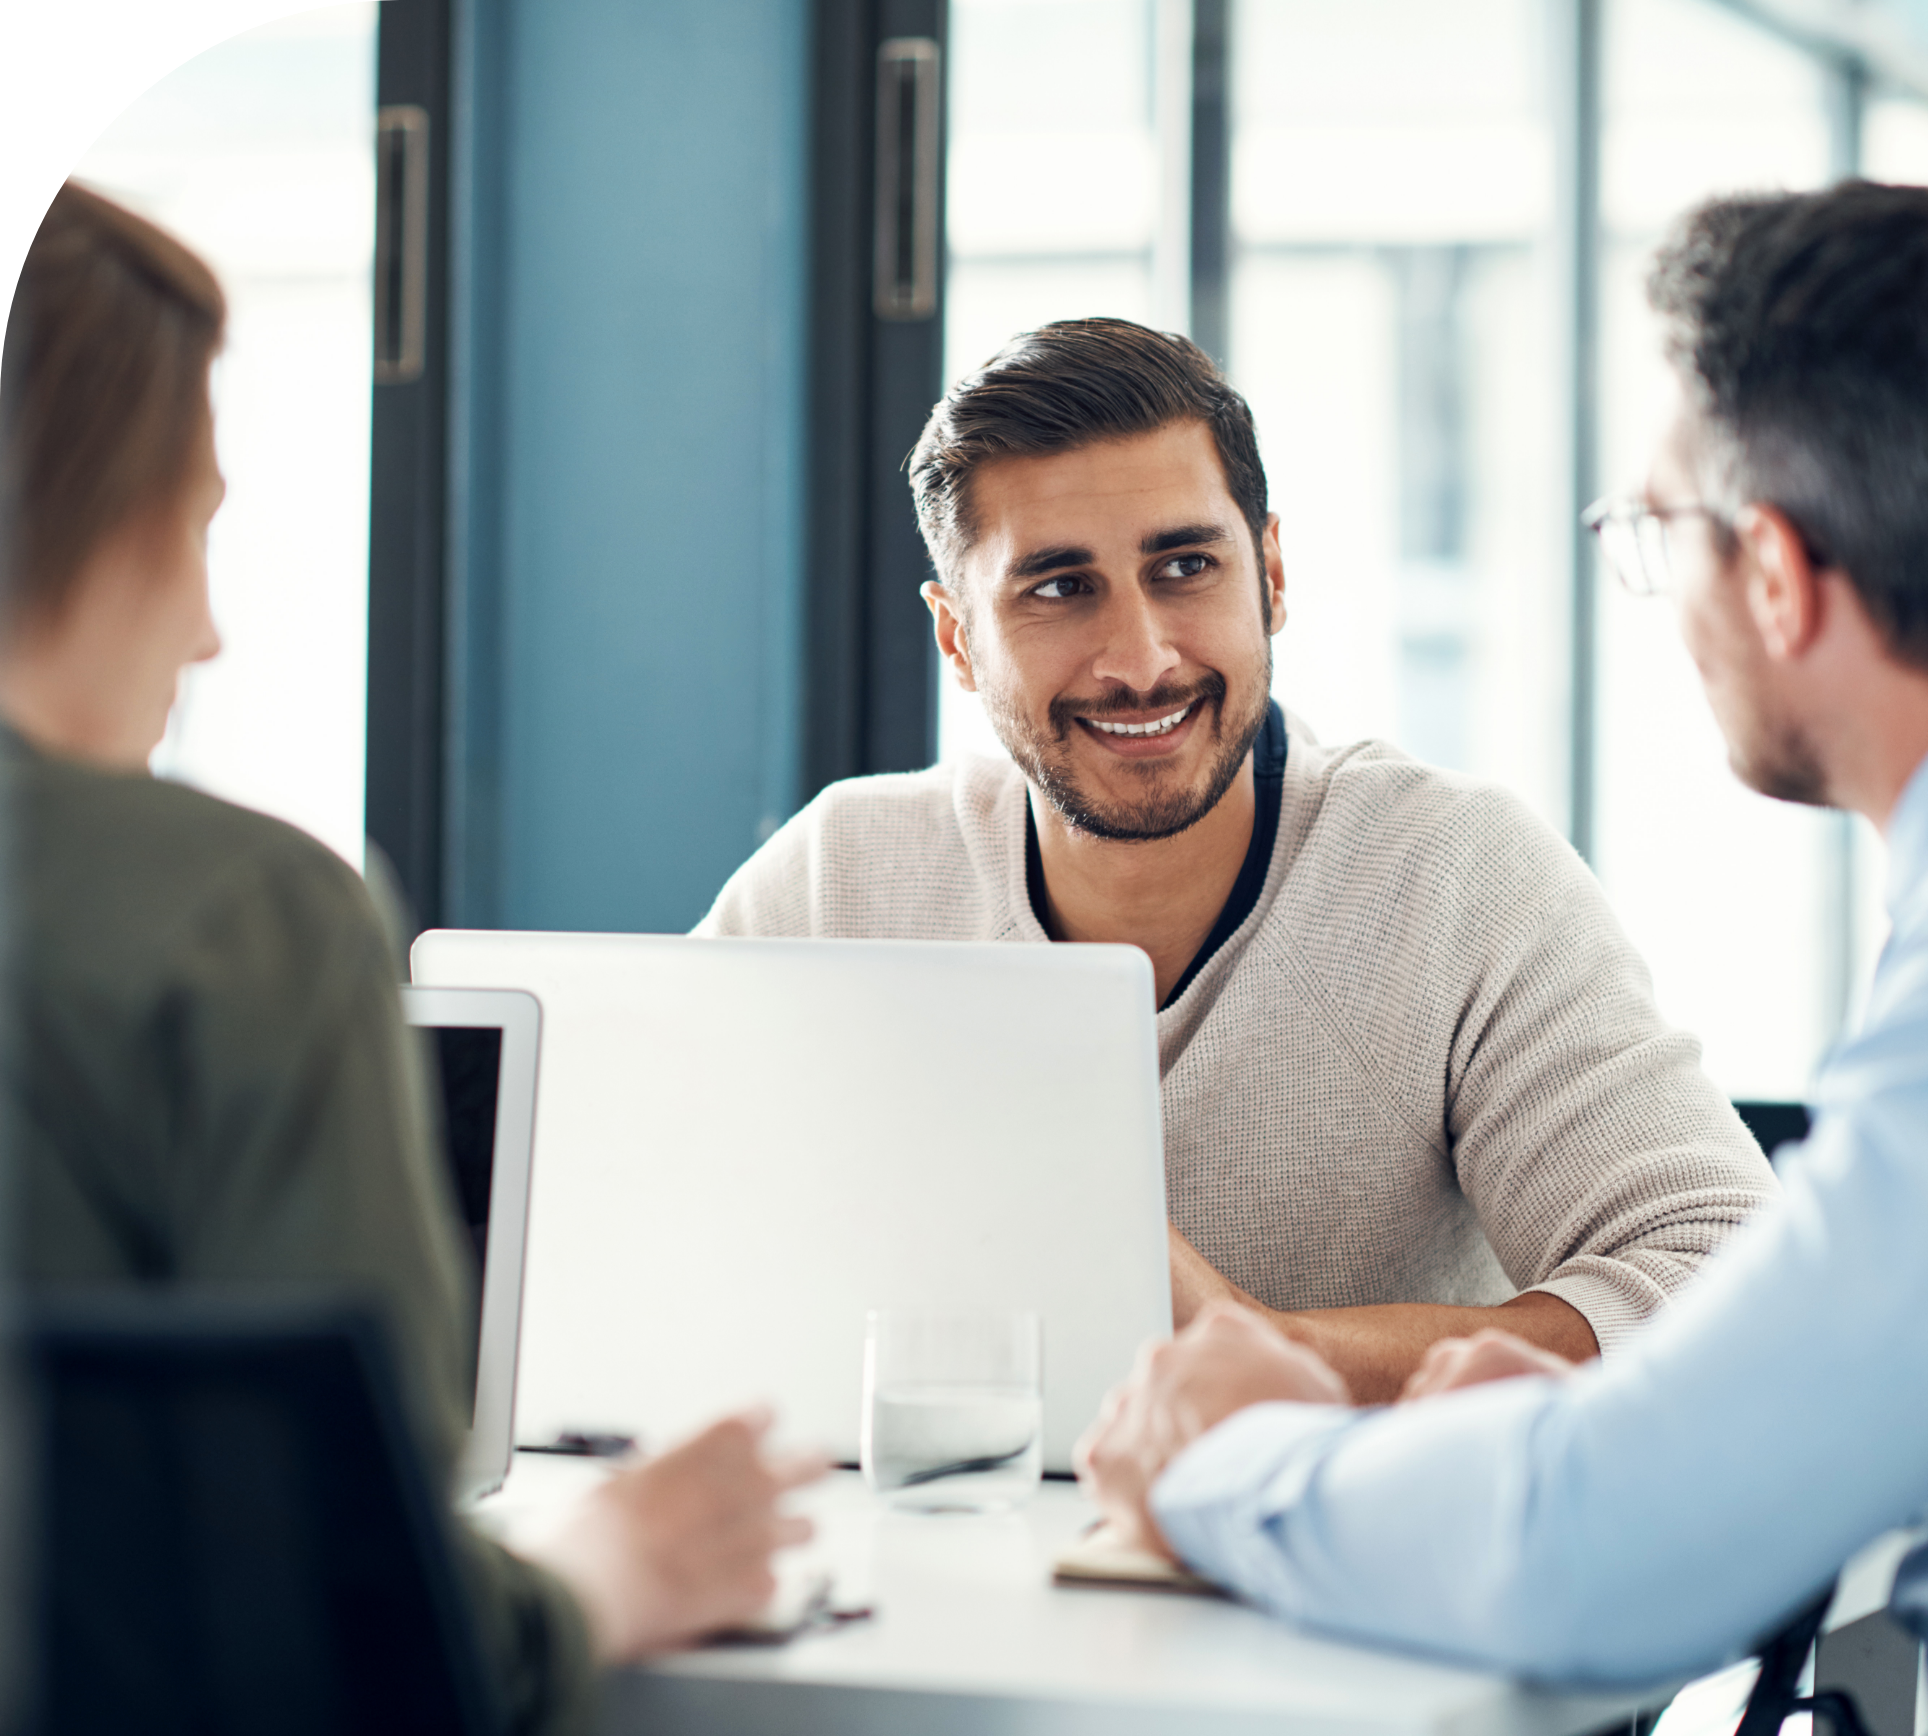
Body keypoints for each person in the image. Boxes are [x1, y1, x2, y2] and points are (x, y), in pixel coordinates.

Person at [1074, 179, 1928, 1684]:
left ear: (1779, 576)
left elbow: (1592, 1550)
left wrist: (1230, 1448)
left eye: (1662, 532)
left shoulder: (1448, 863)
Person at [0, 183, 820, 1733]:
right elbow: (347, 1623)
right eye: (195, 528)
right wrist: (602, 1576)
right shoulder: (242, 921)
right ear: (97, 516)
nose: (206, 639)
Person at [698, 315, 1777, 1400]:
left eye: (1183, 566)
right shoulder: (840, 878)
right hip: (930, 1543)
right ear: (956, 639)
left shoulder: (1451, 874)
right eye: (1060, 588)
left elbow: (1720, 1276)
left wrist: (1261, 1353)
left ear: (1267, 572)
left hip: (1351, 1558)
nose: (1140, 659)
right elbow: (617, 1211)